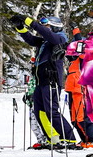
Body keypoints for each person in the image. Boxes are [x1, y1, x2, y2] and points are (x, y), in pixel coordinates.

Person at [13, 14, 80, 148]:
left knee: (52, 111)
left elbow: (47, 34)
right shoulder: (45, 42)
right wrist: (20, 27)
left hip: (51, 80)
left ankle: (69, 138)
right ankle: (53, 138)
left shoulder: (60, 38)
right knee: (40, 111)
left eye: (47, 26)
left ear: (55, 27)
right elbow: (31, 39)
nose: (44, 29)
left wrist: (29, 22)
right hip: (41, 81)